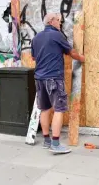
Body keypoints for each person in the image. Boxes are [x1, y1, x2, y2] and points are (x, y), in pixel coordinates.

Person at [31, 12, 85, 154]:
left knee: (45, 109)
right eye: (58, 20)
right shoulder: (56, 35)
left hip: (39, 79)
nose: (60, 23)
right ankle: (55, 144)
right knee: (59, 110)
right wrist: (81, 58)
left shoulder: (36, 38)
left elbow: (33, 57)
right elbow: (71, 52)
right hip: (53, 78)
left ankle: (47, 141)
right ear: (51, 21)